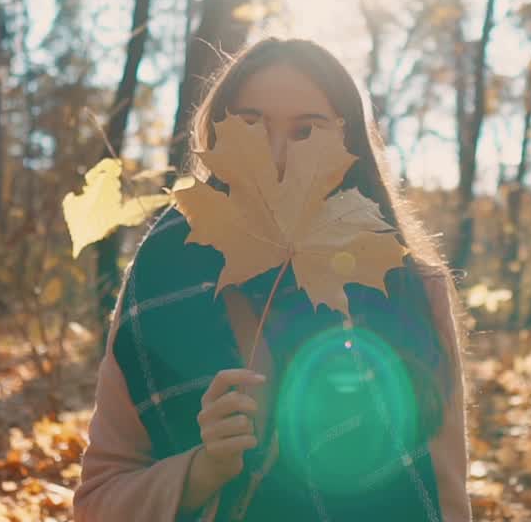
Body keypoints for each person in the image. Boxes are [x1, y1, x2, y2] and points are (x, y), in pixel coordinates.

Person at [73, 37, 471, 521]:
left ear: (348, 147)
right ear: (219, 137)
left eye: (307, 132)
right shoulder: (162, 276)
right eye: (250, 125)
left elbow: (446, 499)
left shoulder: (407, 283)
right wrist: (204, 468)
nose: (278, 155)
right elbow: (97, 503)